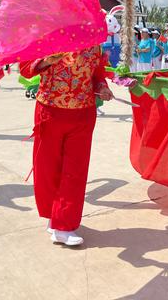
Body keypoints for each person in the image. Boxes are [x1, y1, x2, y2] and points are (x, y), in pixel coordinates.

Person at [20, 47, 113, 246]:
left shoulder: (93, 44)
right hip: (50, 111)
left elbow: (97, 76)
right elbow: (25, 68)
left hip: (83, 114)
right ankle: (53, 214)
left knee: (75, 171)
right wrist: (47, 60)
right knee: (48, 167)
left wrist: (103, 88)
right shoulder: (47, 38)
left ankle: (64, 224)